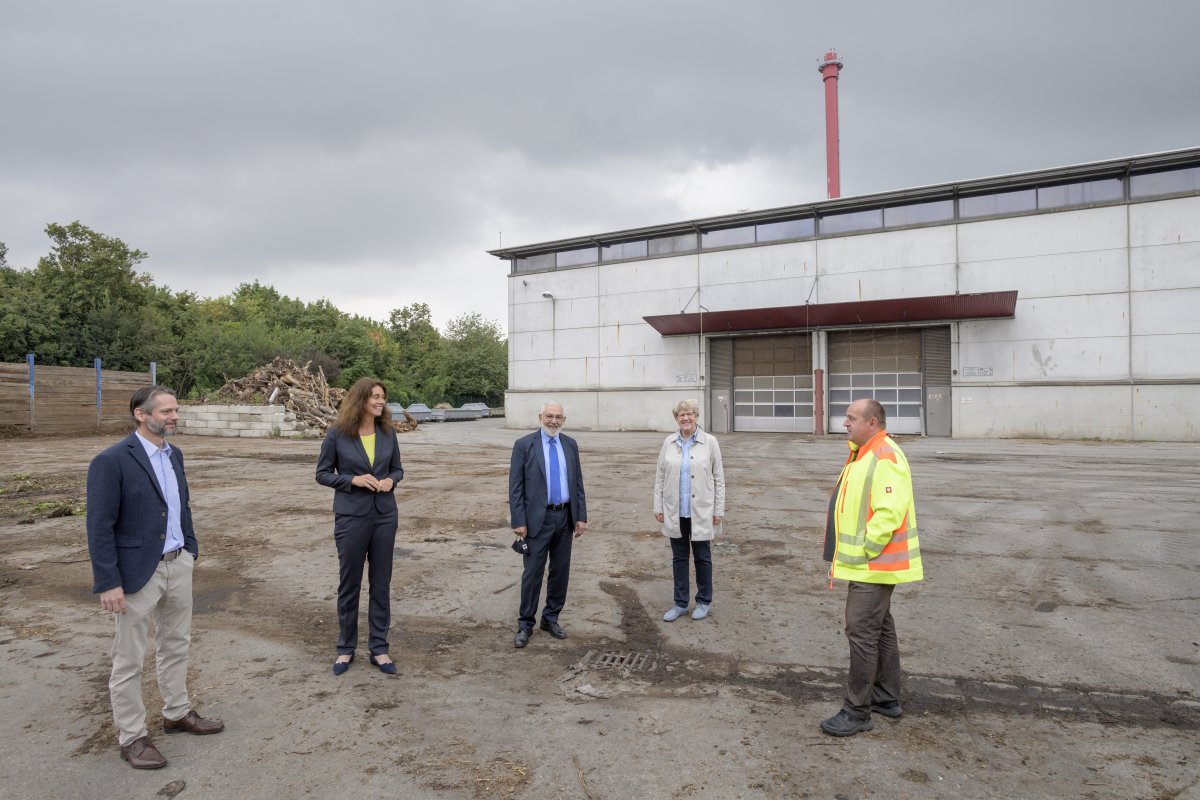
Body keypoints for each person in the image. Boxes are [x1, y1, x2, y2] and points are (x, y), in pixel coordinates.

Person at [86, 386, 224, 770]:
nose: (174, 416)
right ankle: (131, 737)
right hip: (134, 574)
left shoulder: (174, 454)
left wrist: (190, 550)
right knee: (128, 659)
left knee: (176, 643)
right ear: (140, 414)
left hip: (178, 564)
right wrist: (108, 581)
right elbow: (99, 526)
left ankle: (176, 712)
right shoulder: (111, 461)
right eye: (165, 411)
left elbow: (181, 507)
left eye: (175, 410)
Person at [820, 398, 924, 737]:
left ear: (873, 423)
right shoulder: (863, 452)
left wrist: (868, 550)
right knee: (879, 628)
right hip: (870, 565)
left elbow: (889, 512)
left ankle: (857, 710)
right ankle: (886, 698)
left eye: (851, 418)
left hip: (873, 565)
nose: (845, 423)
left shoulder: (884, 455)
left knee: (861, 632)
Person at [316, 378, 405, 676]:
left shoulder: (388, 432)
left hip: (384, 515)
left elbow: (397, 468)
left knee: (381, 584)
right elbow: (322, 474)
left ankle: (379, 648)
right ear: (360, 400)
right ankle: (345, 647)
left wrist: (392, 480)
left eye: (383, 397)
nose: (380, 402)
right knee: (350, 583)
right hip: (351, 517)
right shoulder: (338, 435)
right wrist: (352, 480)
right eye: (375, 397)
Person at [508, 401, 587, 648]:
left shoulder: (570, 444)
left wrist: (581, 516)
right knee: (532, 573)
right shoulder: (524, 445)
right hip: (535, 521)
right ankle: (525, 624)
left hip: (564, 517)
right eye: (549, 416)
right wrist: (519, 520)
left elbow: (577, 484)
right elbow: (515, 487)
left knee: (560, 572)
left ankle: (550, 618)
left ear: (564, 420)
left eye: (558, 417)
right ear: (540, 417)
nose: (553, 421)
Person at [653, 399, 725, 622]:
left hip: (702, 511)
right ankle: (680, 603)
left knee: (703, 557)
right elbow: (660, 476)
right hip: (676, 510)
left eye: (689, 414)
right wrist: (658, 506)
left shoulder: (710, 442)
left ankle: (703, 601)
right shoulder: (669, 442)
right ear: (676, 419)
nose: (685, 418)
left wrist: (718, 509)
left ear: (696, 416)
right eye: (681, 415)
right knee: (679, 558)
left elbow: (719, 478)